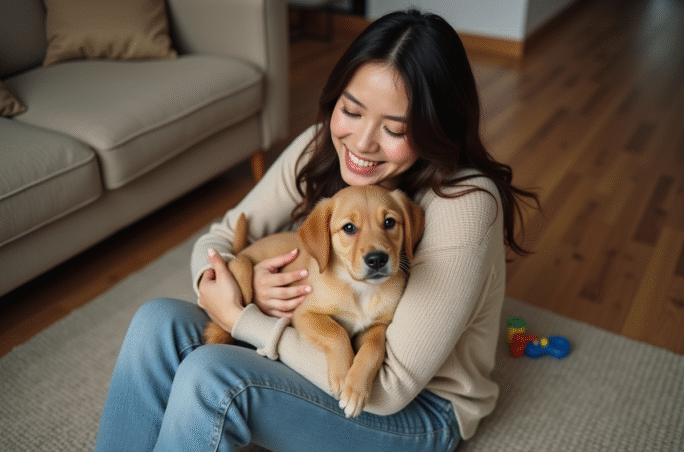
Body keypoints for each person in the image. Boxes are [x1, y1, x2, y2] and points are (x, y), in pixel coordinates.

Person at [95, 9, 537, 452]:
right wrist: (239, 288)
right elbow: (218, 238)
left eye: (394, 128)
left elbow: (389, 388)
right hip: (320, 342)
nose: (362, 143)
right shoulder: (321, 146)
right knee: (156, 321)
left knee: (211, 376)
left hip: (418, 409)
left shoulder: (464, 205)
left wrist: (246, 323)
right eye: (351, 110)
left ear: (436, 128)